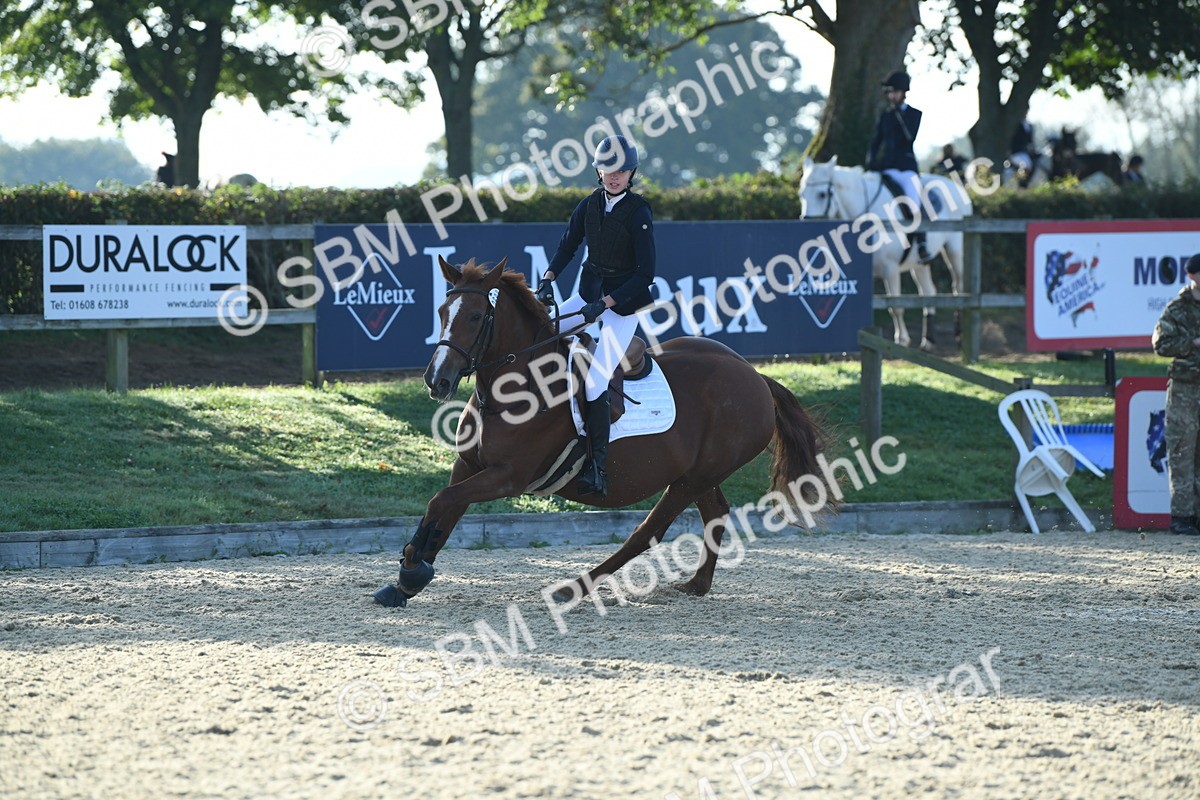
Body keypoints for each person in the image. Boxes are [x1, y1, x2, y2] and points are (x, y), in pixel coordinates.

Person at [535, 135, 656, 498]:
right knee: (544, 335)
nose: (615, 176)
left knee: (595, 382)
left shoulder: (639, 211)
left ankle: (596, 467)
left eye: (622, 171)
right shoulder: (588, 205)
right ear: (599, 171)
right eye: (609, 170)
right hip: (587, 294)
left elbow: (646, 273)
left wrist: (605, 303)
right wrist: (548, 278)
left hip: (623, 305)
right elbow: (568, 245)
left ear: (631, 173)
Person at [1152, 253, 1200, 536]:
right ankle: (1183, 517)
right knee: (1182, 452)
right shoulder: (1177, 309)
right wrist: (1192, 343)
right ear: (1192, 276)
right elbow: (1161, 344)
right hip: (1185, 389)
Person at [866, 70, 933, 263]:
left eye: (894, 92)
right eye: (889, 92)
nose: (890, 96)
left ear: (903, 93)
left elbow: (909, 137)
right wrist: (871, 160)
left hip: (906, 168)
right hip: (886, 167)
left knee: (914, 198)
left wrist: (899, 115)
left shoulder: (913, 115)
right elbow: (876, 141)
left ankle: (922, 242)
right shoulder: (885, 116)